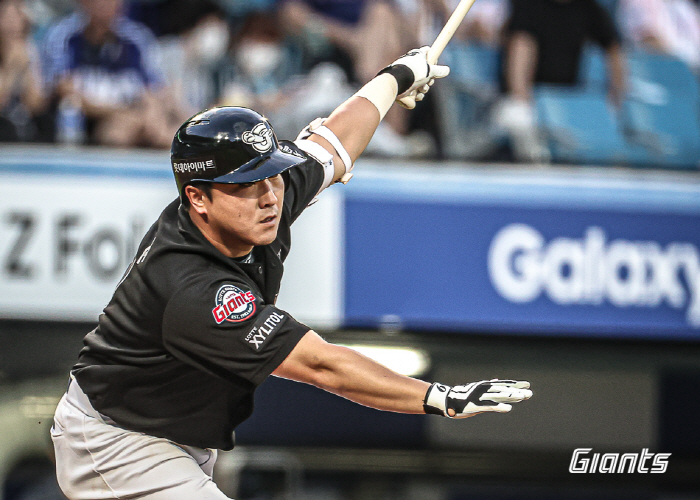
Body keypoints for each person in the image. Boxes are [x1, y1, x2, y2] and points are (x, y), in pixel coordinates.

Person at [50, 46, 532, 499]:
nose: (270, 196)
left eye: (272, 174)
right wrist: (440, 397)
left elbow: (332, 143)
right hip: (116, 440)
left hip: (178, 435)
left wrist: (397, 76)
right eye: (246, 185)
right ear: (197, 198)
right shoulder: (191, 287)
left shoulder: (260, 199)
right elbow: (324, 366)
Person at [42, 0, 186, 147]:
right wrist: (120, 112)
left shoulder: (136, 38)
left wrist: (152, 116)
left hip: (135, 117)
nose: (109, 4)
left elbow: (155, 89)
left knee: (167, 135)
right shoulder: (64, 35)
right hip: (87, 122)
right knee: (117, 134)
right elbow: (66, 92)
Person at [495, 0, 627, 161]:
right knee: (518, 118)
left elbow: (613, 48)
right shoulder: (528, 4)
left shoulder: (588, 7)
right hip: (527, 102)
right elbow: (521, 46)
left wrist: (616, 99)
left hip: (566, 104)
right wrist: (521, 98)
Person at [0, 0, 48, 142]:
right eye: (7, 18)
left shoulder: (29, 50)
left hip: (20, 121)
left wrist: (25, 69)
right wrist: (12, 68)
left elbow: (35, 105)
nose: (12, 25)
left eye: (17, 17)